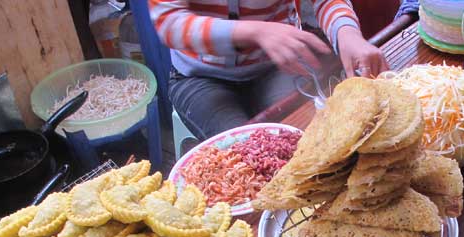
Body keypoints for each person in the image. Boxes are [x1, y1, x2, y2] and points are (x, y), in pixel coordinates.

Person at [150, 0, 389, 140]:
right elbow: (170, 24)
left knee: (306, 137)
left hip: (277, 65)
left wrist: (348, 34)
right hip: (200, 77)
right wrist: (256, 32)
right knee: (248, 154)